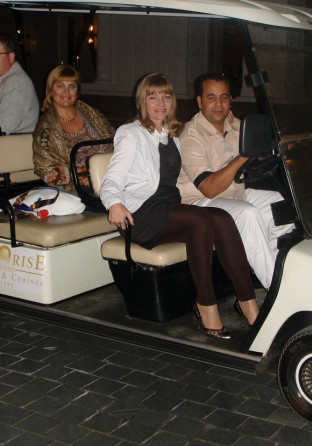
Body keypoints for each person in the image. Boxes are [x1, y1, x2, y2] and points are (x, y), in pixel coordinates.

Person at [100, 72, 259, 339]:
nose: (161, 103)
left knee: (222, 217)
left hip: (169, 207)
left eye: (166, 96)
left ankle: (248, 304)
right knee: (202, 220)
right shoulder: (131, 133)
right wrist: (114, 203)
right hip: (140, 214)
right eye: (153, 97)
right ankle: (206, 305)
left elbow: (206, 122)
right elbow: (112, 178)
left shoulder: (172, 133)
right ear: (142, 101)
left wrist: (229, 119)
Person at [178, 73, 295, 289]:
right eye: (211, 97)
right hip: (200, 205)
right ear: (199, 102)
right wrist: (244, 156)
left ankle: (268, 270)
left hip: (234, 194)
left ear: (230, 100)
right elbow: (209, 188)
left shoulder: (236, 127)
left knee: (282, 205)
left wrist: (281, 145)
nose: (218, 104)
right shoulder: (190, 136)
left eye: (224, 97)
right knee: (248, 214)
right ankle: (277, 289)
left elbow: (261, 150)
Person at [33, 65, 114, 192]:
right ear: (50, 90)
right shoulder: (45, 128)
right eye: (60, 86)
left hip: (107, 178)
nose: (66, 92)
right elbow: (47, 173)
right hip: (72, 189)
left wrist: (101, 173)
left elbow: (115, 144)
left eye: (72, 86)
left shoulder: (92, 114)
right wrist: (86, 174)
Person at [0, 33, 39, 134]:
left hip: (11, 143)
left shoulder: (16, 83)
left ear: (11, 57)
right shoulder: (6, 79)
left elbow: (3, 126)